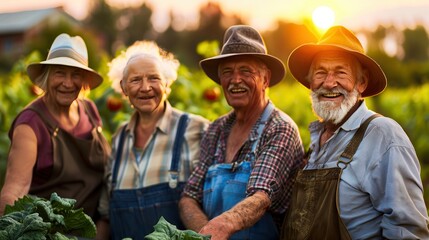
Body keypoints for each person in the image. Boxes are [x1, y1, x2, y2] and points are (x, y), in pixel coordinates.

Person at [281, 25, 429, 239]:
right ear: (310, 83)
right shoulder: (316, 142)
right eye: (320, 73)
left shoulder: (384, 136)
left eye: (341, 73)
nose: (329, 83)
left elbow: (408, 230)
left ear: (362, 83)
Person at [178, 25, 305, 240]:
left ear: (265, 80)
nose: (235, 80)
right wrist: (205, 235)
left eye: (246, 71)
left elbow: (260, 197)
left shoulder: (279, 128)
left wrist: (218, 229)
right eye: (227, 72)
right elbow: (188, 198)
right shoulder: (216, 130)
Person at [95, 41, 210, 240]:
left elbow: (214, 204)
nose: (145, 87)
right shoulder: (119, 140)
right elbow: (106, 215)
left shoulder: (196, 129)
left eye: (154, 78)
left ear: (167, 83)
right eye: (135, 80)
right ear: (123, 87)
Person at [0, 33, 110, 220]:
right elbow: (15, 189)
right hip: (54, 231)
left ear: (83, 80)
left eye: (75, 74)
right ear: (47, 76)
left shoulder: (89, 111)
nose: (67, 83)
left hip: (99, 226)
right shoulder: (31, 124)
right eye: (60, 73)